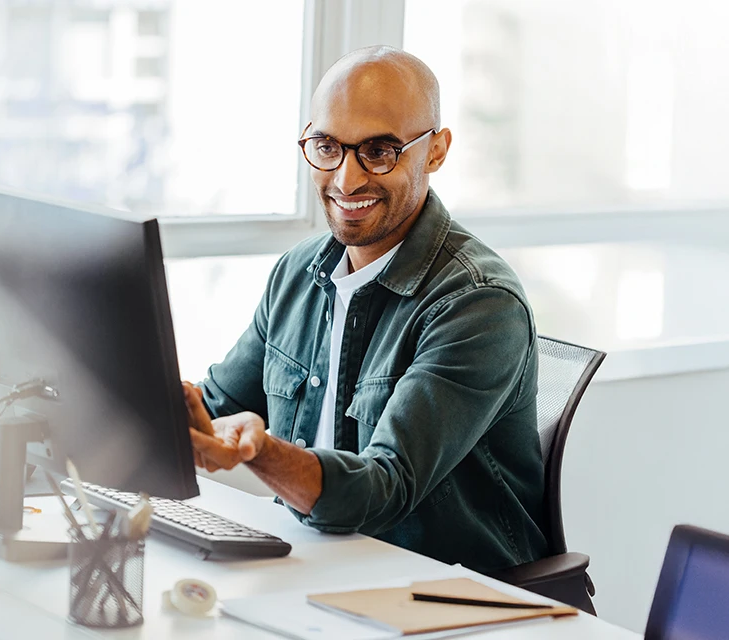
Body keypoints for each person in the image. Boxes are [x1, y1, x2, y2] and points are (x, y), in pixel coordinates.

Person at [183, 45, 548, 573]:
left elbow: (384, 488)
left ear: (437, 151)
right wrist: (160, 406)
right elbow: (215, 408)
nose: (347, 180)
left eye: (379, 151)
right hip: (316, 567)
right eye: (327, 146)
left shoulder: (478, 303)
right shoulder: (299, 273)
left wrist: (259, 452)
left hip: (444, 595)